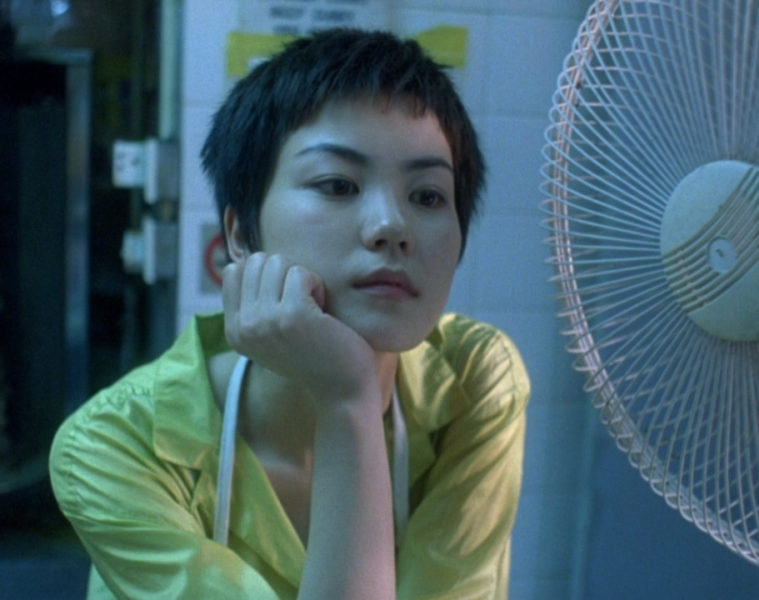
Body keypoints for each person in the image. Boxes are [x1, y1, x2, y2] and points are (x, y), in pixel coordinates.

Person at [50, 28, 529, 599]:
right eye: (338, 185)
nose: (391, 226)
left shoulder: (475, 380)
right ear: (239, 234)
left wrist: (347, 399)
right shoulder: (115, 446)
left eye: (427, 196)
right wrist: (347, 398)